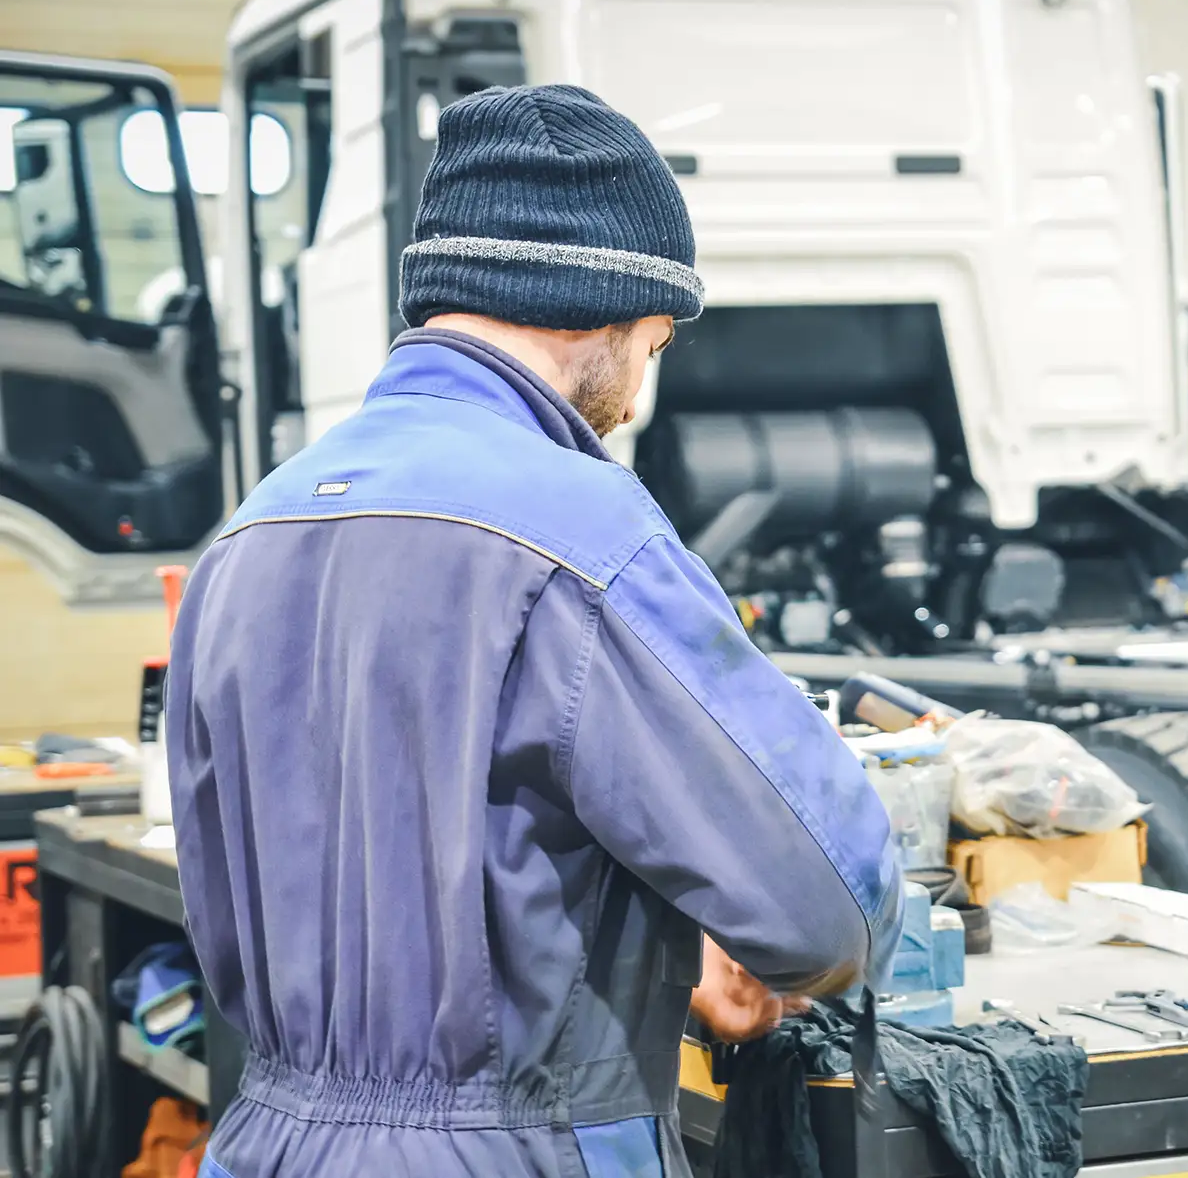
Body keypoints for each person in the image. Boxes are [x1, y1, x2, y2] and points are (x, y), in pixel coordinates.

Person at [165, 84, 904, 1178]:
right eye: (653, 345)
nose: (638, 395)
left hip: (270, 1142)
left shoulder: (251, 526)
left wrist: (643, 952)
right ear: (591, 303)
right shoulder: (585, 532)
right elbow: (823, 903)